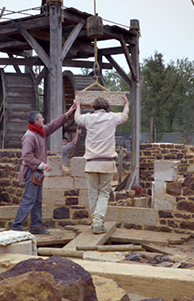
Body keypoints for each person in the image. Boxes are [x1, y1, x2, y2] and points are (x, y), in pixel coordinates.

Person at [12, 104, 77, 234]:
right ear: (36, 121)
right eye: (41, 118)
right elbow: (27, 156)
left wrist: (68, 113)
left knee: (37, 200)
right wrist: (42, 165)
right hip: (32, 171)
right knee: (29, 199)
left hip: (37, 172)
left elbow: (54, 125)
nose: (43, 119)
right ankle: (16, 227)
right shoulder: (30, 136)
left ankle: (36, 226)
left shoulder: (40, 131)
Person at [74, 95, 129, 234]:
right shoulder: (112, 117)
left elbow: (77, 118)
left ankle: (95, 222)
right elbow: (125, 115)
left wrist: (78, 105)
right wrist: (126, 103)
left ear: (94, 107)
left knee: (93, 194)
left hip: (91, 163)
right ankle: (98, 222)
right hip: (106, 163)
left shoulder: (88, 118)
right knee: (104, 194)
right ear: (106, 108)